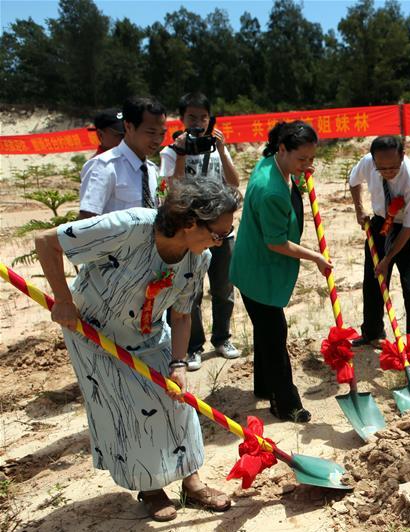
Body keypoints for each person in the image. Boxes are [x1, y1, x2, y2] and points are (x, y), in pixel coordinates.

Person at [34, 177, 240, 521]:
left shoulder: (197, 258)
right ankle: (150, 488)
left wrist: (178, 363)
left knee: (178, 403)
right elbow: (46, 242)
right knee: (132, 409)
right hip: (94, 334)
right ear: (190, 223)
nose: (220, 243)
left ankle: (192, 482)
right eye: (218, 234)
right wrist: (64, 301)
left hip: (149, 332)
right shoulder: (129, 226)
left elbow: (182, 314)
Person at [230, 121, 331, 421]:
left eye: (311, 158)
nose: (307, 165)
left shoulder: (270, 163)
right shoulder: (271, 189)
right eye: (302, 159)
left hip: (252, 264)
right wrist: (315, 257)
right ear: (283, 149)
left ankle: (264, 386)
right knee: (275, 335)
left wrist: (299, 173)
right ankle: (285, 404)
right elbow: (276, 242)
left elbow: (290, 185)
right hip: (260, 271)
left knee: (266, 330)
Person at [160, 92, 242, 370]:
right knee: (190, 291)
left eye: (203, 117)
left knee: (223, 287)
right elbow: (172, 187)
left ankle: (222, 338)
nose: (198, 122)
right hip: (190, 233)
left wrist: (222, 149)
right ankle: (193, 346)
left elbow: (234, 182)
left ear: (210, 119)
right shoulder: (171, 151)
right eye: (192, 117)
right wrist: (182, 153)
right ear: (181, 119)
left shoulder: (217, 148)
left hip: (220, 232)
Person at [349, 136, 410, 356]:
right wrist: (359, 209)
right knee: (373, 279)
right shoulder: (368, 162)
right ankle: (372, 332)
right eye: (382, 168)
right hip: (380, 223)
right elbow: (353, 181)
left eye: (393, 167)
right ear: (374, 160)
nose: (387, 172)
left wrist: (387, 259)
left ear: (402, 156)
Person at [78, 96, 167, 219]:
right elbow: (86, 219)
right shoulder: (103, 166)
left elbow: (163, 203)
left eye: (162, 133)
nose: (157, 140)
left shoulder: (153, 170)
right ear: (129, 127)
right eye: (151, 132)